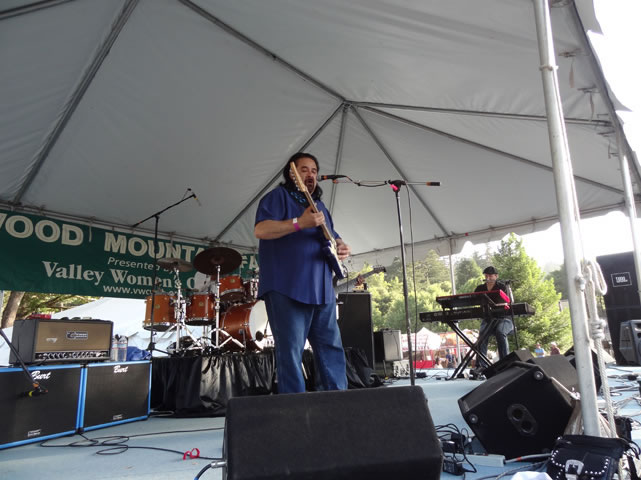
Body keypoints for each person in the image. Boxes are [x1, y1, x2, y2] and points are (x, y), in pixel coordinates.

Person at [254, 152, 351, 394]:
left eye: (314, 171)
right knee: (290, 352)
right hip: (286, 287)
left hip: (322, 290)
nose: (310, 175)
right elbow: (261, 230)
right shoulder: (277, 197)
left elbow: (332, 235)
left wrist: (340, 245)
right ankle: (295, 410)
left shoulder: (319, 206)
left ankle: (339, 402)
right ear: (292, 173)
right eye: (304, 169)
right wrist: (299, 223)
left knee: (331, 349)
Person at [473, 266, 514, 369]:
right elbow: (472, 300)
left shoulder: (502, 287)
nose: (488, 278)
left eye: (490, 276)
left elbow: (509, 301)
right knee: (482, 335)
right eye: (486, 276)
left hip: (504, 319)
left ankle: (505, 363)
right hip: (488, 319)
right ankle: (481, 365)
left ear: (496, 276)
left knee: (500, 332)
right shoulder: (480, 288)